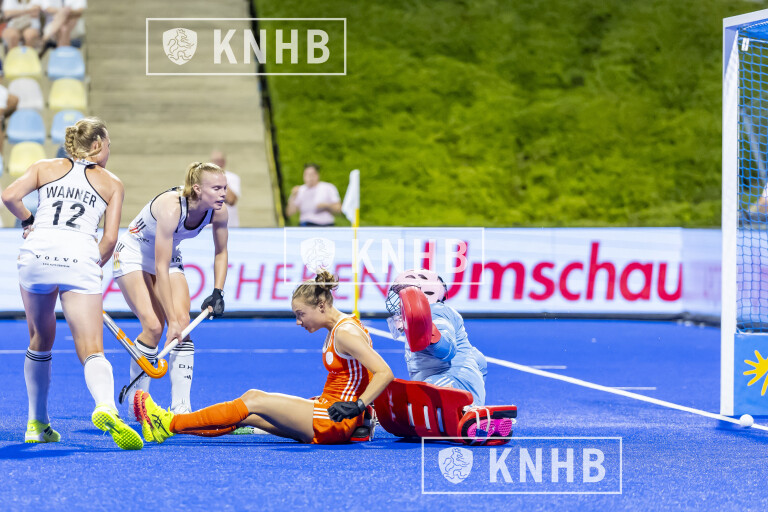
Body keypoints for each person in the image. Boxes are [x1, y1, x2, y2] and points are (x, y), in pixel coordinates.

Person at [0, 117, 142, 450]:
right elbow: (109, 239)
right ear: (97, 145)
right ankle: (105, 406)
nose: (109, 151)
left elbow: (9, 196)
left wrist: (29, 220)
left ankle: (37, 424)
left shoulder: (43, 167)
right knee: (91, 348)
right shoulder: (112, 183)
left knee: (40, 339)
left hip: (37, 253)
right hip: (79, 254)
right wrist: (91, 268)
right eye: (108, 145)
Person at [135, 271, 394, 445]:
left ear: (321, 306)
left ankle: (169, 422)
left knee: (253, 398)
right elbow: (360, 374)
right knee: (245, 415)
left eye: (301, 314)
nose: (298, 322)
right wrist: (362, 413)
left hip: (332, 419)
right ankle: (168, 428)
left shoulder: (345, 333)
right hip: (331, 410)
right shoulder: (341, 327)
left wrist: (358, 407)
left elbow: (384, 373)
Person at [112, 162, 229, 420]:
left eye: (225, 188)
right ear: (197, 189)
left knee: (184, 326)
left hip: (168, 256)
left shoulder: (219, 212)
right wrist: (171, 320)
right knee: (155, 326)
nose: (223, 194)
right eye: (216, 188)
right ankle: (137, 405)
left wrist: (218, 291)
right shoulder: (171, 207)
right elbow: (160, 268)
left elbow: (221, 252)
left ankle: (181, 410)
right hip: (133, 254)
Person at [385, 269, 488, 406]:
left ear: (425, 293)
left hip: (451, 381)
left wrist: (433, 337)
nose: (399, 302)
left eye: (402, 295)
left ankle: (471, 409)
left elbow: (446, 350)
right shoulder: (424, 316)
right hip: (444, 379)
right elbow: (479, 360)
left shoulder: (436, 312)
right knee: (404, 397)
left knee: (409, 400)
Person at [210, 149, 241, 227]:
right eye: (215, 161)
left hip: (229, 225)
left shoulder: (233, 178)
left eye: (220, 160)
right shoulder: (204, 178)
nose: (218, 163)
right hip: (208, 226)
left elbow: (231, 200)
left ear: (224, 162)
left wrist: (221, 179)